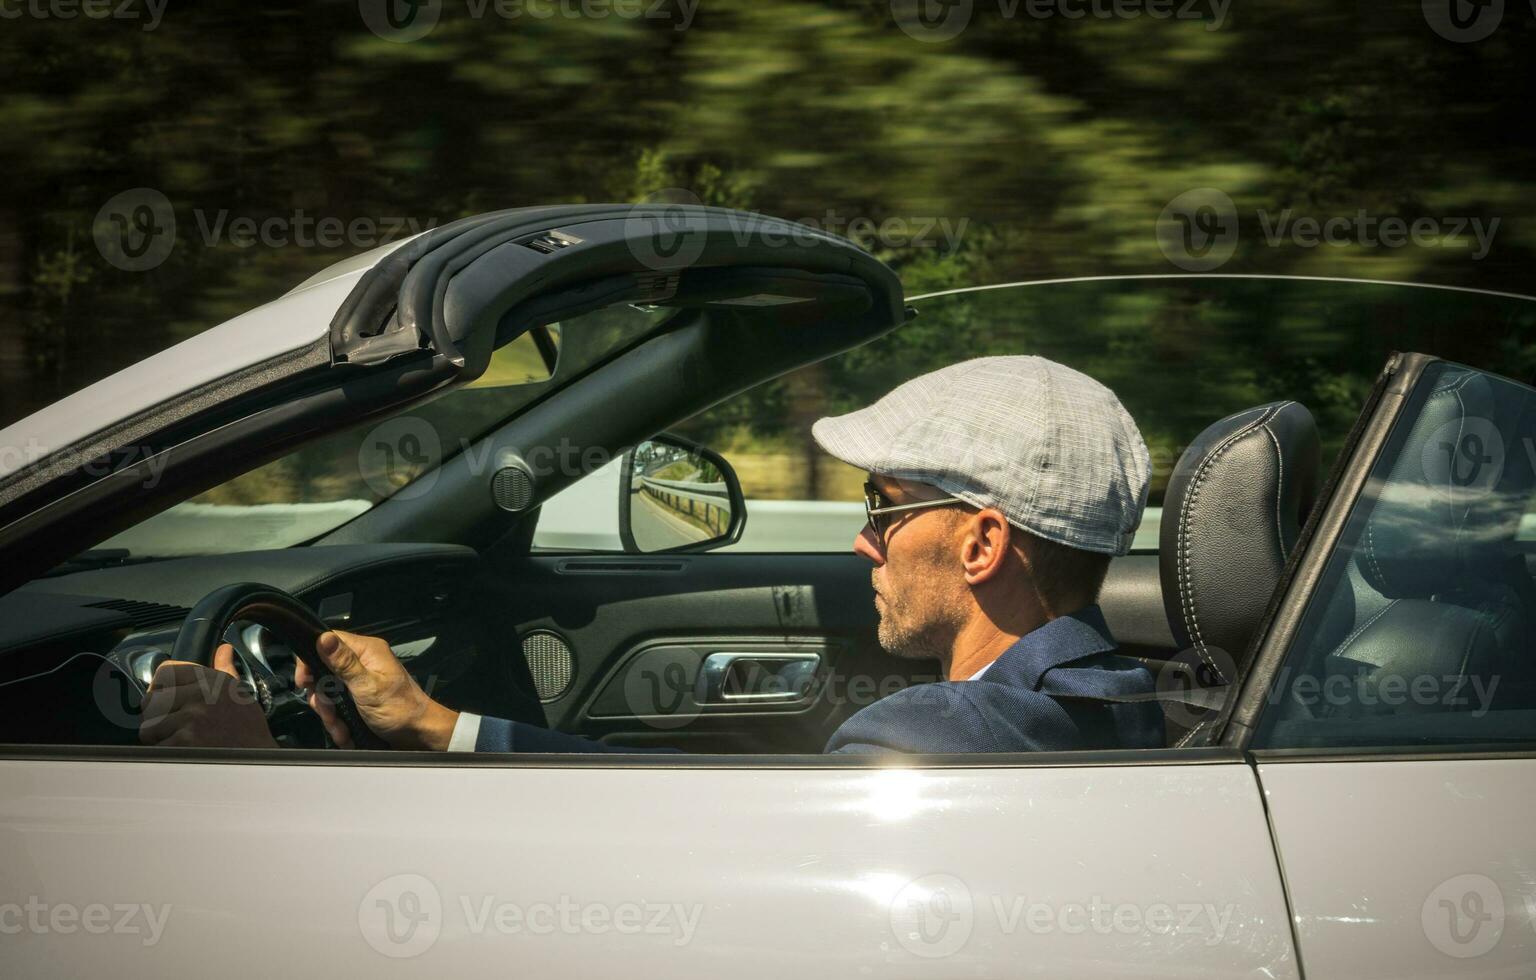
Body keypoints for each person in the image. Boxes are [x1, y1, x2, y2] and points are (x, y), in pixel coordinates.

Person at [139, 356, 1163, 754]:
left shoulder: (926, 739)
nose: (863, 537)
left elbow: (668, 855)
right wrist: (437, 722)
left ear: (984, 539)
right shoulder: (1119, 698)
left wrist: (249, 769)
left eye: (885, 505)